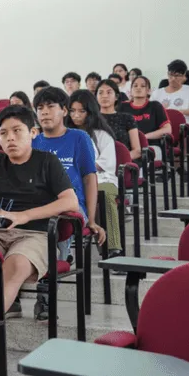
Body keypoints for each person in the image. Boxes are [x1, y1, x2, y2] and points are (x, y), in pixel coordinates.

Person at [0, 105, 80, 374]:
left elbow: (70, 202)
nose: (10, 138)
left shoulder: (47, 162)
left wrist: (24, 215)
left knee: (16, 265)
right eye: (3, 132)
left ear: (32, 133)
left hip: (35, 234)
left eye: (17, 131)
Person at [31, 87, 105, 320]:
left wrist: (91, 219)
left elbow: (89, 178)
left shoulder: (78, 138)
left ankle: (45, 294)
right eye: (40, 108)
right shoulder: (33, 142)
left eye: (51, 106)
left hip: (70, 207)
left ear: (64, 110)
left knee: (57, 224)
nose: (44, 112)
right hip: (38, 206)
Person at [67, 90, 122, 255]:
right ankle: (63, 253)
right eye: (72, 111)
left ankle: (112, 248)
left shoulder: (102, 135)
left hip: (103, 180)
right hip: (73, 182)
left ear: (90, 112)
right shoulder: (64, 135)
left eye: (81, 111)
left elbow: (104, 164)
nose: (76, 115)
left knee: (102, 194)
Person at [119, 76, 171, 161]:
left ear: (148, 90)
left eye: (142, 86)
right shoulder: (122, 107)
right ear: (130, 90)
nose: (138, 88)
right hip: (127, 147)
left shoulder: (155, 106)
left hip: (150, 146)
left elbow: (167, 129)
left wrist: (144, 137)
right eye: (135, 86)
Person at [96, 79, 141, 160]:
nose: (104, 96)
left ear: (116, 97)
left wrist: (116, 161)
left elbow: (137, 151)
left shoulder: (127, 118)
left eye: (109, 92)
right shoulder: (91, 118)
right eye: (100, 92)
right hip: (96, 165)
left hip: (123, 164)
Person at [151, 59, 189, 127]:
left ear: (184, 75)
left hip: (183, 126)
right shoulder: (157, 93)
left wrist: (175, 113)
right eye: (171, 75)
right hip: (162, 126)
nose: (173, 78)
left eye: (177, 75)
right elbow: (150, 112)